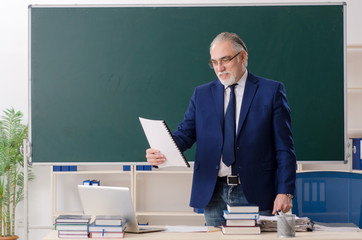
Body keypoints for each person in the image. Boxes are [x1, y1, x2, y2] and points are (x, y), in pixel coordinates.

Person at [146, 32, 296, 226]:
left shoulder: (271, 91)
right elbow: (185, 134)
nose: (220, 68)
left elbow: (285, 147)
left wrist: (285, 192)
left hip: (256, 190)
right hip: (213, 192)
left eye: (225, 60)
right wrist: (161, 152)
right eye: (214, 62)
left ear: (243, 57)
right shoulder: (202, 94)